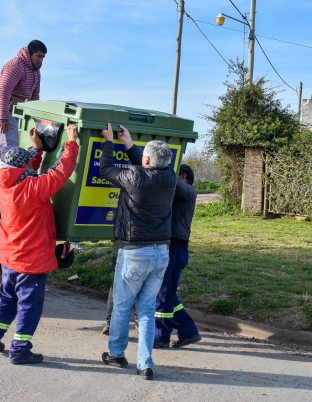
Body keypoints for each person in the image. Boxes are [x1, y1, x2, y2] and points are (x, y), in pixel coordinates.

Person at [0, 124, 79, 365]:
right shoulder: (34, 189)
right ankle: (20, 350)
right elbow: (60, 173)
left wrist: (36, 150)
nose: (29, 166)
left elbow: (24, 172)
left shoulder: (3, 186)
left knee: (6, 298)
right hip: (31, 262)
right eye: (27, 163)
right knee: (29, 306)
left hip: (10, 259)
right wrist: (72, 142)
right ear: (21, 168)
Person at [99, 123, 176, 380]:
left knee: (122, 306)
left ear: (145, 160)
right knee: (146, 310)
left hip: (134, 253)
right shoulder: (171, 178)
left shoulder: (134, 177)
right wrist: (129, 143)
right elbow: (149, 164)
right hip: (160, 253)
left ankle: (116, 354)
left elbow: (106, 169)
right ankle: (145, 363)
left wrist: (110, 142)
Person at [153, 164, 202, 349]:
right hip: (171, 248)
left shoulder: (188, 191)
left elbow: (171, 180)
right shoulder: (181, 195)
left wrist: (161, 164)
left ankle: (161, 336)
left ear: (183, 177)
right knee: (166, 292)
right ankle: (188, 331)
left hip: (175, 249)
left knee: (163, 293)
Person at [0, 40, 47, 158]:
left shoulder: (36, 72)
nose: (40, 60)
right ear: (30, 54)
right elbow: (3, 90)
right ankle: (8, 173)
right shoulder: (16, 66)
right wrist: (3, 118)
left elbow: (34, 97)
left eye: (43, 57)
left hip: (15, 108)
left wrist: (36, 122)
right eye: (38, 56)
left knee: (15, 141)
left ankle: (14, 171)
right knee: (9, 145)